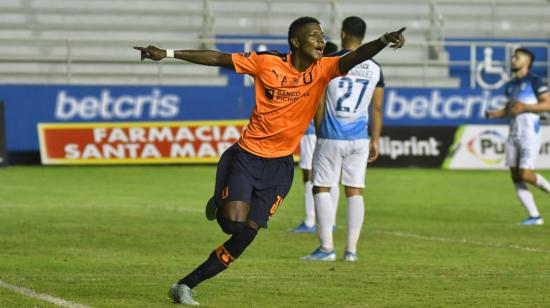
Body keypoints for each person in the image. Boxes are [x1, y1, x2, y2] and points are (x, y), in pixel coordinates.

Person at [135, 16, 405, 305]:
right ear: (295, 41)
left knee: (245, 234)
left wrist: (383, 41)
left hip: (279, 168)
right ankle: (221, 199)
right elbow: (218, 58)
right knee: (231, 224)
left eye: (322, 36)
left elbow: (356, 56)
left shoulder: (325, 69)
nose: (320, 40)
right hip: (247, 157)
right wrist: (169, 54)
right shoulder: (266, 62)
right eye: (313, 35)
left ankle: (185, 285)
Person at [301, 16, 385, 262]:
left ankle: (326, 248)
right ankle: (351, 251)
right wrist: (375, 139)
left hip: (331, 135)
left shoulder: (330, 60)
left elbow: (317, 100)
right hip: (360, 138)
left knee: (321, 187)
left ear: (343, 33)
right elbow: (377, 108)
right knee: (355, 190)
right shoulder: (376, 68)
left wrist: (319, 131)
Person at [486, 47, 550, 225]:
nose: (513, 59)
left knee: (525, 174)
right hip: (513, 134)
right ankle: (535, 216)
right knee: (515, 176)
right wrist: (496, 114)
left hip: (529, 133)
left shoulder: (535, 81)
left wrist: (526, 107)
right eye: (513, 57)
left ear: (527, 61)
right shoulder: (510, 85)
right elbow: (511, 109)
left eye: (517, 57)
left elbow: (547, 105)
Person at [291, 41, 340, 234]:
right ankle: (330, 221)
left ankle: (311, 221)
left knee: (311, 174)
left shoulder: (318, 73)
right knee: (332, 176)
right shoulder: (338, 75)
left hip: (313, 129)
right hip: (332, 132)